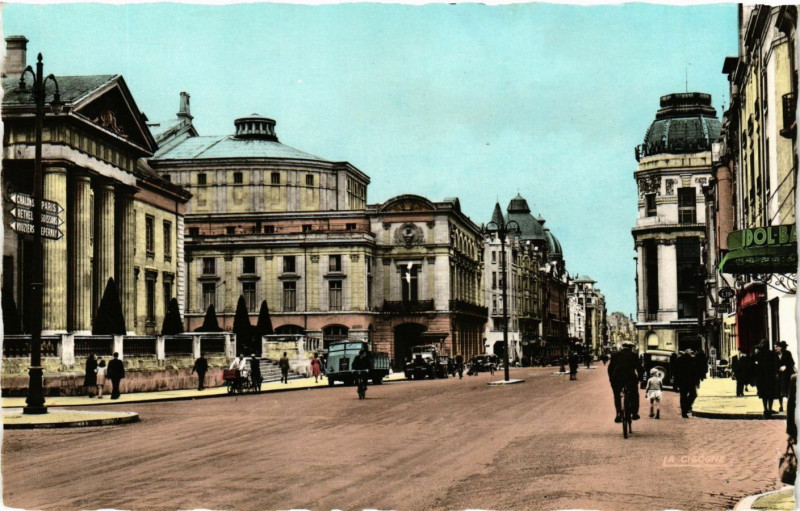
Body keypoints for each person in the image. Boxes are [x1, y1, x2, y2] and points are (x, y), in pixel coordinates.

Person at [607, 341, 642, 423]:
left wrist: (611, 379)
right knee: (634, 394)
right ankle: (634, 413)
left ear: (622, 347)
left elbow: (610, 369)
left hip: (617, 379)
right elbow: (640, 368)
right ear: (631, 347)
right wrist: (640, 378)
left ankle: (618, 413)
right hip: (630, 378)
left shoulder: (615, 355)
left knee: (617, 395)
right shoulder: (634, 355)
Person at [755, 339, 780, 417]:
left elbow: (753, 364)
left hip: (761, 378)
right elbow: (777, 364)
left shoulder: (759, 354)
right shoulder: (772, 354)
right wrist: (775, 373)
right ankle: (770, 408)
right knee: (771, 394)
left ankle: (765, 409)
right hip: (770, 377)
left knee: (764, 395)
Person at [674, 349, 699, 418]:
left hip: (682, 381)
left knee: (683, 397)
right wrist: (697, 382)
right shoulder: (693, 360)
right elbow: (695, 372)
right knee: (693, 395)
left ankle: (683, 411)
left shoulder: (678, 360)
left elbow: (675, 373)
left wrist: (675, 384)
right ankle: (687, 407)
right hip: (691, 381)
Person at [777, 341, 795, 413]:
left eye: (777, 347)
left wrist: (786, 366)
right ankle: (781, 405)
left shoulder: (787, 353)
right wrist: (777, 369)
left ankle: (788, 406)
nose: (776, 348)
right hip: (779, 375)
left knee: (787, 391)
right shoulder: (775, 354)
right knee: (779, 391)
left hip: (787, 375)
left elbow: (792, 363)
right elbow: (773, 364)